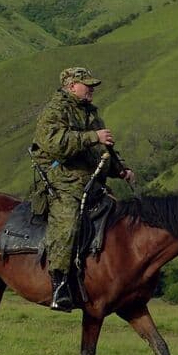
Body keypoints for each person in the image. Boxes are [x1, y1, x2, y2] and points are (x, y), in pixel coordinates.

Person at [30, 66, 135, 310]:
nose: (91, 90)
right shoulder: (55, 111)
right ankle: (59, 284)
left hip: (91, 178)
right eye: (87, 85)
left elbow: (103, 148)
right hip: (62, 178)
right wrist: (92, 137)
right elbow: (56, 145)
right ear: (71, 86)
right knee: (68, 222)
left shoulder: (90, 113)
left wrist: (120, 169)